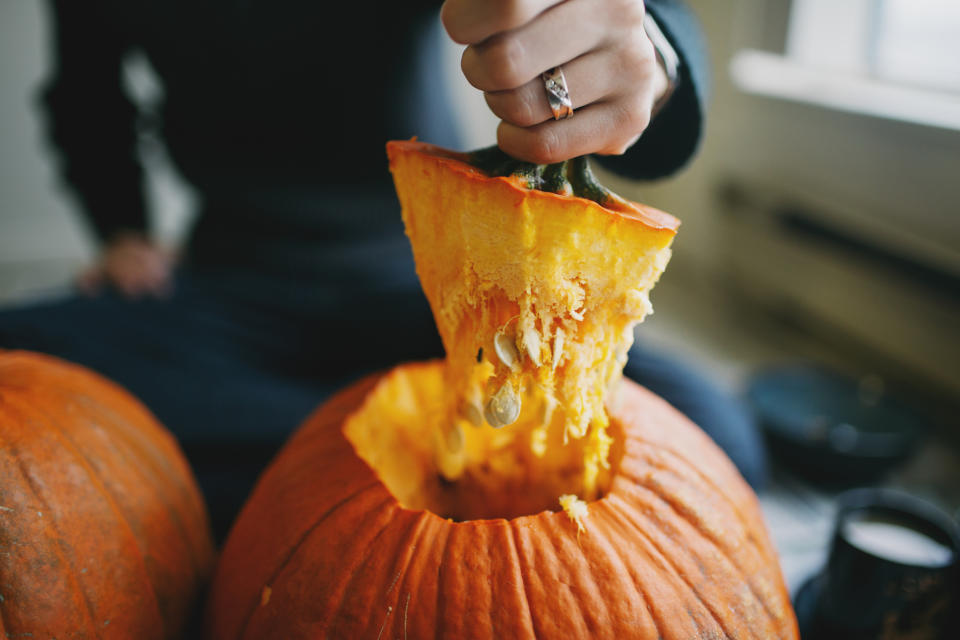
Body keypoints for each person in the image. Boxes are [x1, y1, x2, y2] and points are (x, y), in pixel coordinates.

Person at [1, 0, 765, 539]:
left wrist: (643, 56)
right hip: (222, 291)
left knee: (709, 427)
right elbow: (85, 97)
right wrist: (123, 230)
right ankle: (362, 456)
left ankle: (292, 475)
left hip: (434, 287)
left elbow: (656, 24)